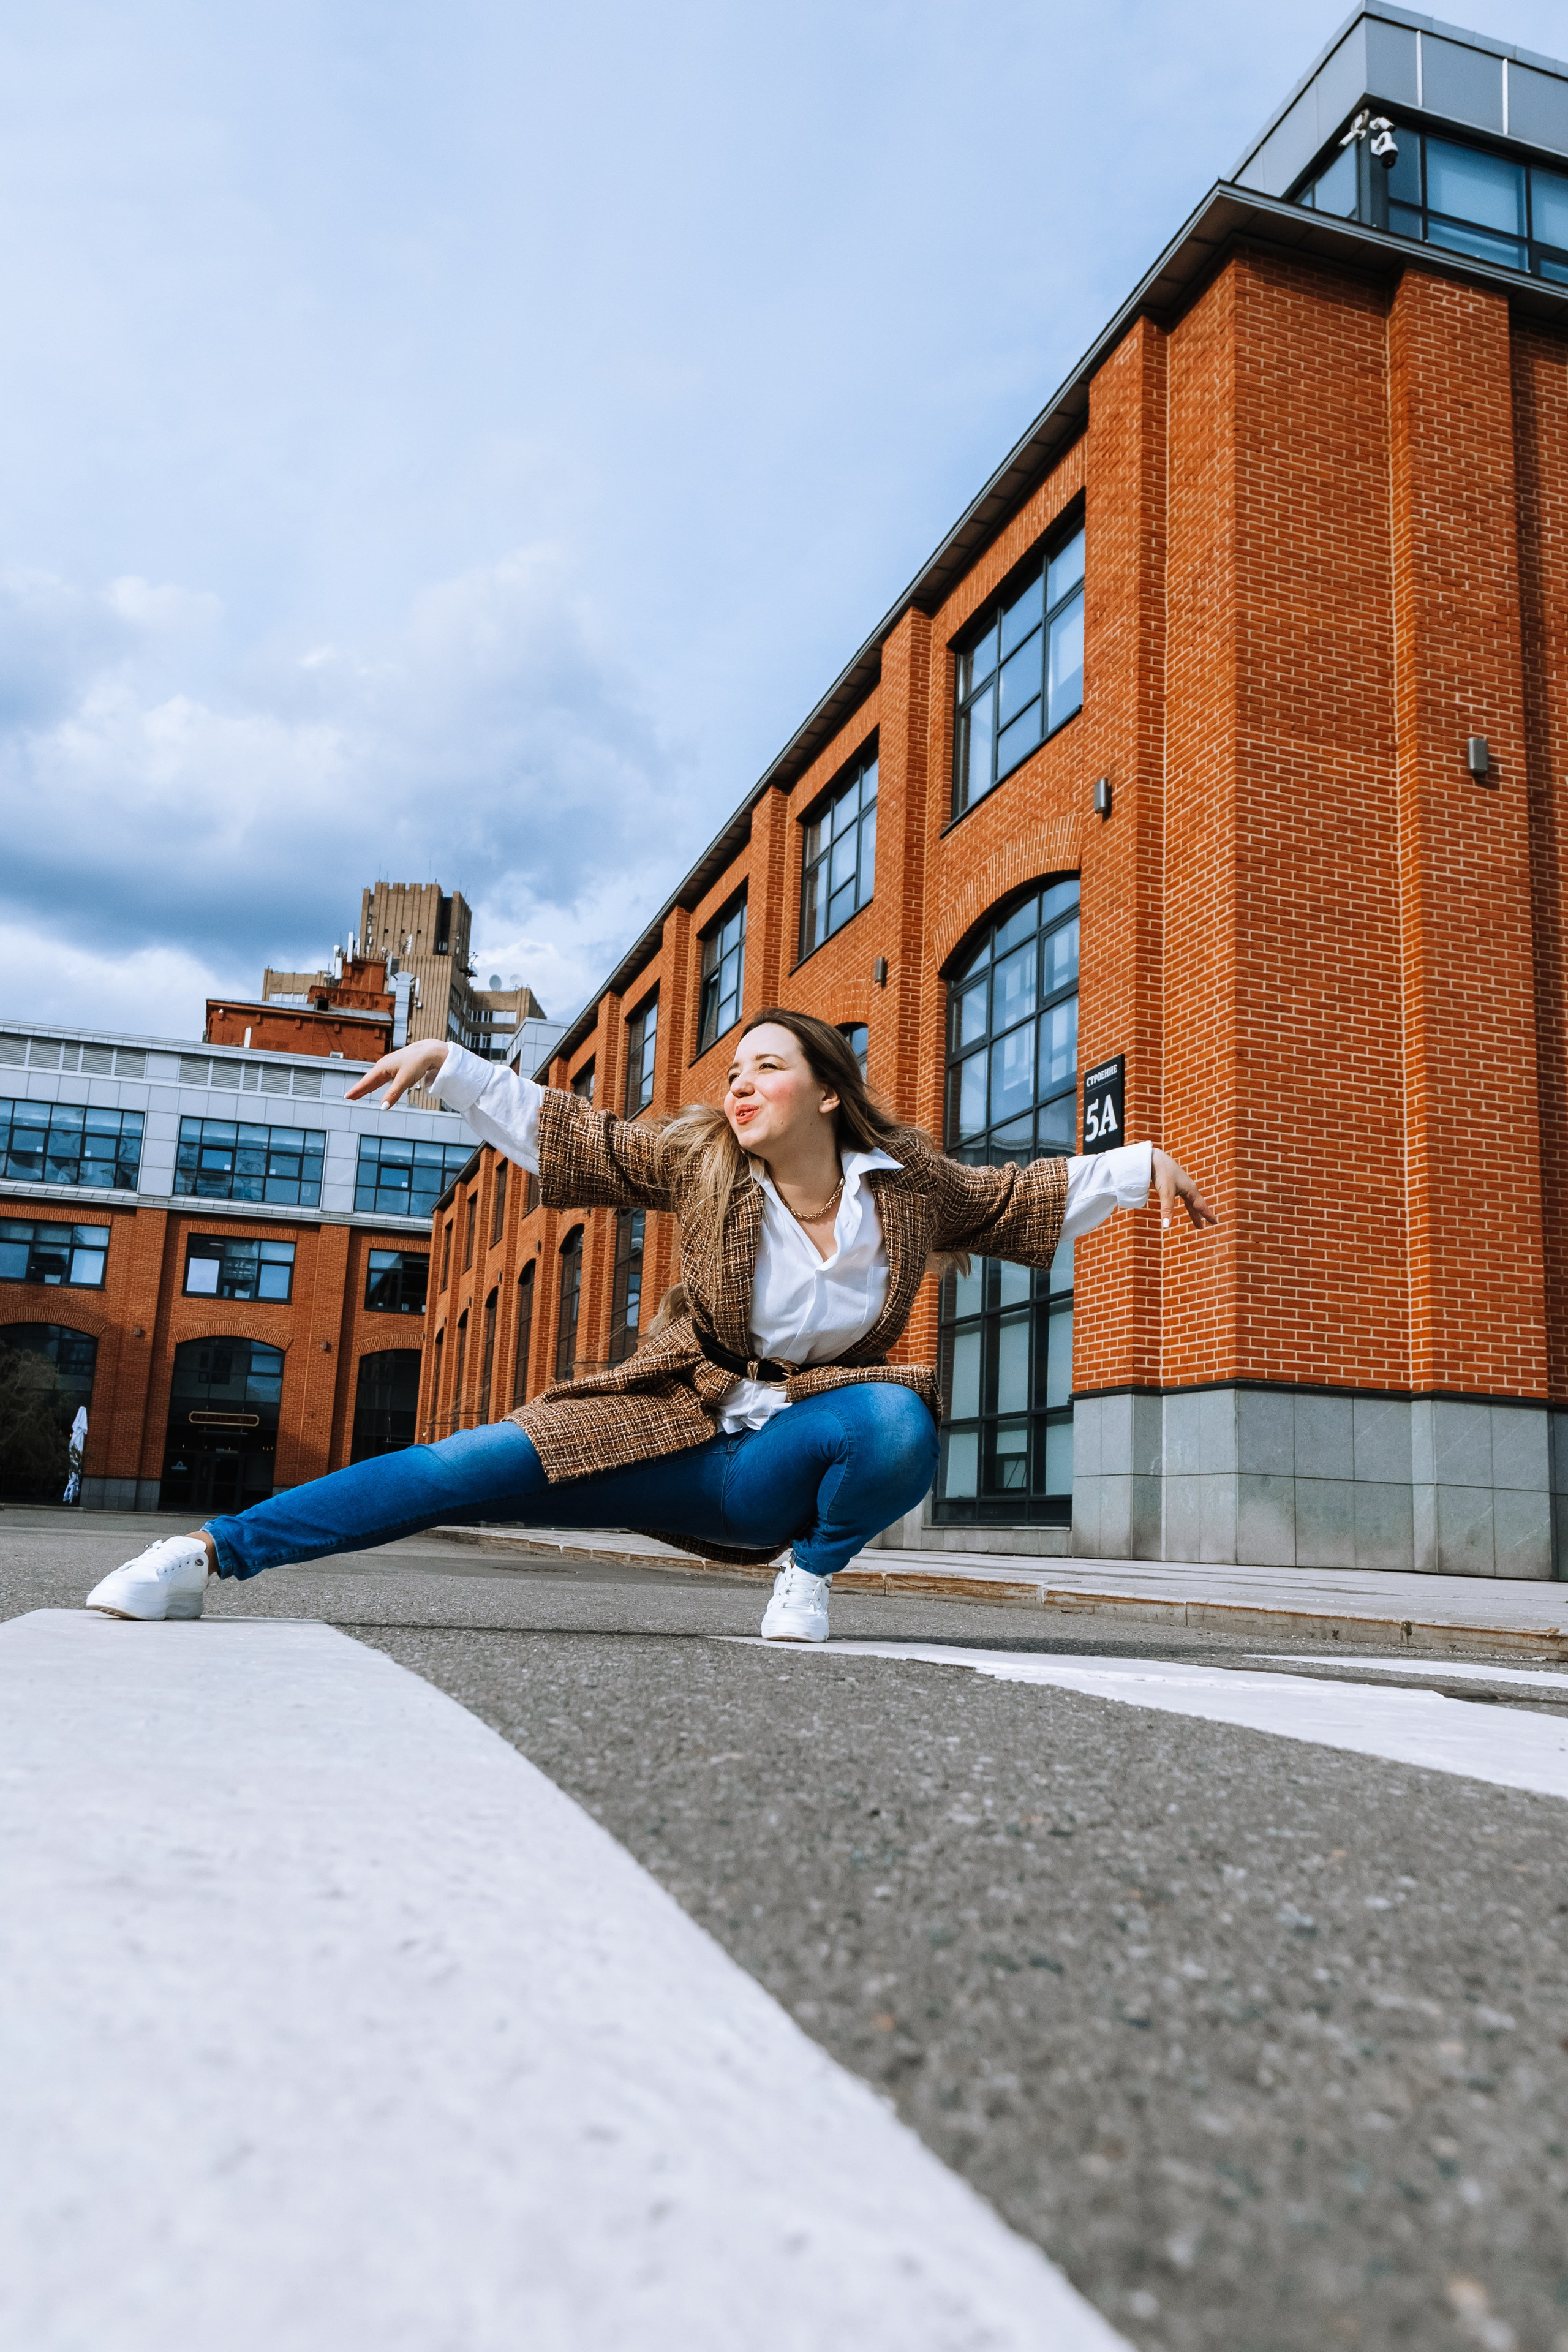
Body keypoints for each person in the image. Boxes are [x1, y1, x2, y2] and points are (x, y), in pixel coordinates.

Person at [85, 1011, 1216, 1640]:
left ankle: (810, 1577)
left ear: (828, 1091)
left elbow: (1014, 1199)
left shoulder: (906, 1184)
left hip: (778, 1458)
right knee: (448, 1470)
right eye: (734, 1069)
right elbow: (586, 1140)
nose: (741, 1083)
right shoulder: (704, 1161)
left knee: (895, 1424)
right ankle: (207, 1556)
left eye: (767, 1066)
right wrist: (456, 1070)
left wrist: (1135, 1164)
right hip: (659, 1422)